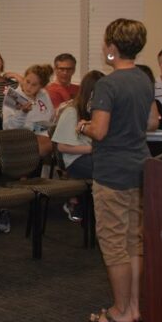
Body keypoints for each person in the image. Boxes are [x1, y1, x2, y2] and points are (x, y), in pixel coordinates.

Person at [77, 19, 156, 322]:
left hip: (113, 173)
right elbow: (151, 123)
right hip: (141, 168)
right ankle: (136, 306)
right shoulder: (144, 79)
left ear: (111, 48)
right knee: (135, 241)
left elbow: (100, 130)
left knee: (112, 242)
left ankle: (121, 309)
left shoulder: (107, 85)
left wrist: (83, 125)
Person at [51, 70, 104, 221]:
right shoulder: (71, 112)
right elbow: (62, 147)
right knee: (109, 169)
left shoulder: (98, 112)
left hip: (91, 156)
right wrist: (92, 149)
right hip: (76, 159)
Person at [1, 64, 55, 156]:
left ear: (41, 86)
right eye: (27, 81)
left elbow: (49, 116)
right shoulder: (13, 96)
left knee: (62, 142)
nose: (29, 87)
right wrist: (22, 113)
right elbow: (8, 127)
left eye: (34, 85)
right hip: (18, 137)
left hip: (42, 134)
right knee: (55, 146)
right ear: (24, 78)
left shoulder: (44, 94)